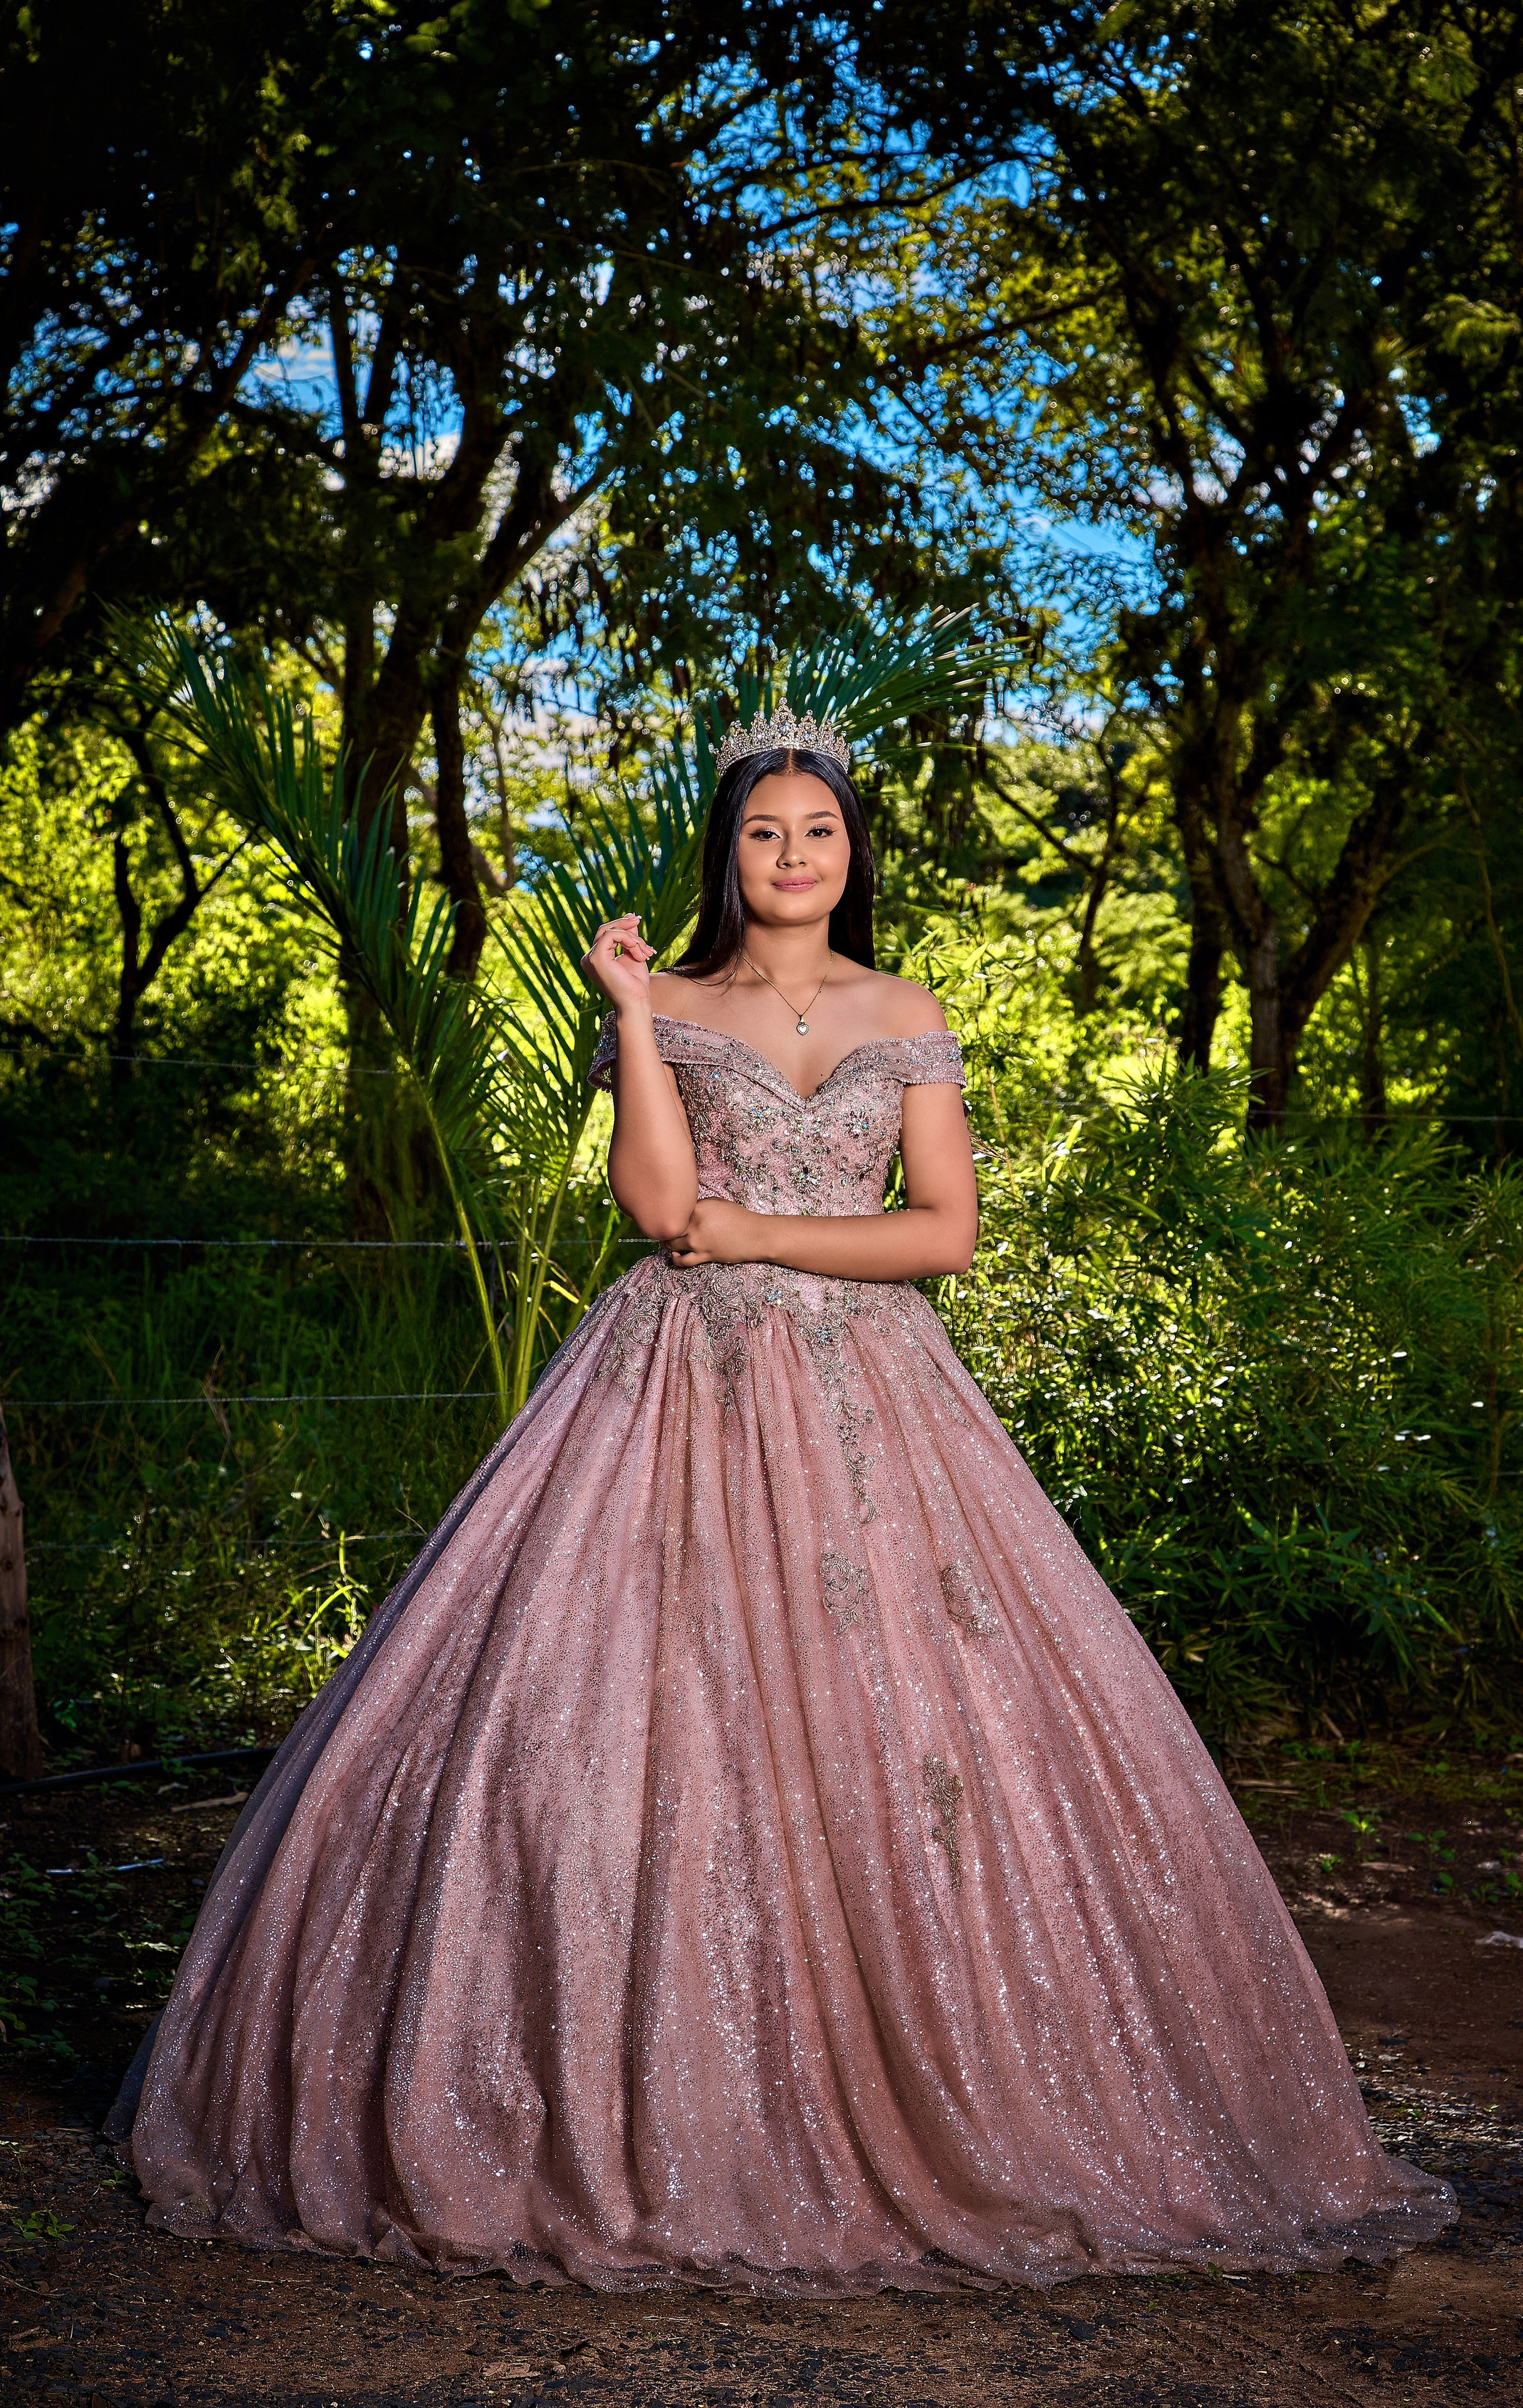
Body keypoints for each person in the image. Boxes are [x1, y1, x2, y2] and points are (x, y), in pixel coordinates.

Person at [109, 705, 1455, 2291]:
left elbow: (942, 1231)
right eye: (763, 832)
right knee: (631, 1705)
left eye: (818, 830)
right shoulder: (668, 1000)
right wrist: (625, 1009)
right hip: (671, 1389)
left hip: (873, 1402)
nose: (794, 853)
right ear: (726, 856)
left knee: (914, 1717)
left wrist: (764, 1241)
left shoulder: (906, 1005)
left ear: (852, 853)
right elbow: (661, 1206)